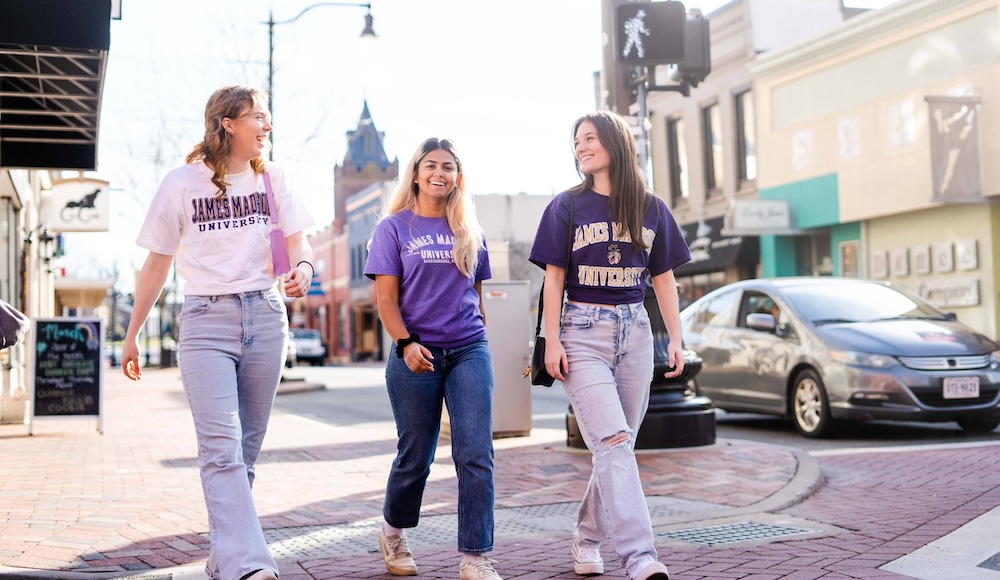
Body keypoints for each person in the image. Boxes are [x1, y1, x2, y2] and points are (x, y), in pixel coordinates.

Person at [121, 85, 315, 580]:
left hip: (267, 316)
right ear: (228, 123)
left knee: (244, 453)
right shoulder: (181, 183)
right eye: (258, 116)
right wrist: (133, 332)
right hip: (207, 321)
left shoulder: (273, 178)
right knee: (222, 448)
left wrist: (305, 270)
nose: (267, 125)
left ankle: (224, 558)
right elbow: (157, 263)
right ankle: (250, 565)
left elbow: (298, 242)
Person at [528, 111, 691, 580]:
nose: (580, 147)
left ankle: (586, 539)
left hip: (636, 332)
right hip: (581, 331)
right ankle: (640, 558)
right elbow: (553, 280)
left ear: (615, 143)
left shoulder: (651, 207)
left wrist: (675, 338)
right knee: (615, 442)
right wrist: (551, 339)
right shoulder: (567, 206)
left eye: (589, 138)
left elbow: (664, 279)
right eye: (576, 141)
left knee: (616, 447)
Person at [364, 138, 501, 580]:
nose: (440, 173)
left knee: (476, 452)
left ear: (458, 176)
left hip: (468, 349)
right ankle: (393, 531)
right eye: (431, 166)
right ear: (417, 173)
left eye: (448, 166)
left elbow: (476, 296)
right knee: (416, 454)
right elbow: (385, 300)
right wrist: (405, 344)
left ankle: (475, 557)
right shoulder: (394, 229)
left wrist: (474, 334)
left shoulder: (469, 231)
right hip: (414, 352)